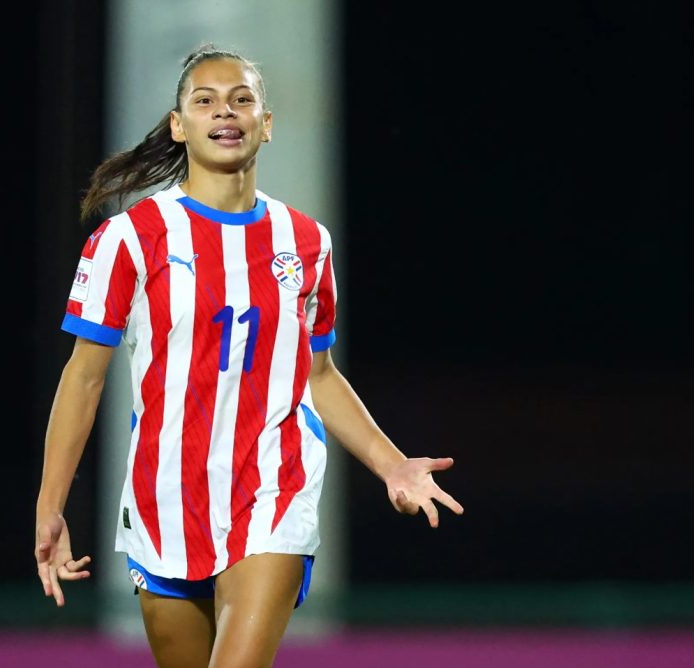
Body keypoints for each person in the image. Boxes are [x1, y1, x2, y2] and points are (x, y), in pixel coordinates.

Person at [34, 46, 464, 668]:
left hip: (274, 488)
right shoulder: (129, 238)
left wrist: (392, 465)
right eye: (203, 101)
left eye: (241, 99)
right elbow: (83, 379)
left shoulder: (307, 241)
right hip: (165, 497)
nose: (224, 112)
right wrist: (51, 507)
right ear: (179, 125)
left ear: (266, 122)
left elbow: (315, 373)